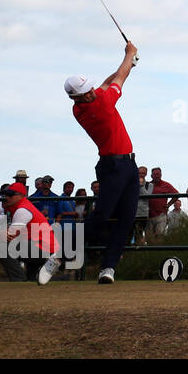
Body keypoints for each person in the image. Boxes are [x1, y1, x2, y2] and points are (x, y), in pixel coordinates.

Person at [64, 42, 140, 285]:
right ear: (75, 98)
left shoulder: (86, 103)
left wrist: (129, 64)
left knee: (127, 218)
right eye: (85, 93)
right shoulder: (100, 105)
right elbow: (119, 77)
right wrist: (129, 54)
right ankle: (62, 249)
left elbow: (108, 82)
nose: (91, 92)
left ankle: (108, 267)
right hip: (112, 167)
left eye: (89, 88)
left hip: (129, 165)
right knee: (102, 215)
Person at [2, 183, 60, 283]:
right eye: (5, 195)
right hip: (42, 248)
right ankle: (32, 277)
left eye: (10, 195)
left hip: (44, 250)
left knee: (1, 247)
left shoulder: (22, 209)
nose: (6, 197)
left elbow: (9, 236)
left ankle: (19, 280)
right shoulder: (22, 207)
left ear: (21, 196)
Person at [148, 168, 181, 240]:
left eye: (158, 174)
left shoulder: (166, 185)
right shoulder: (147, 185)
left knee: (160, 235)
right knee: (149, 237)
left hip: (161, 215)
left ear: (161, 175)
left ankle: (159, 250)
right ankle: (150, 251)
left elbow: (176, 194)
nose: (157, 176)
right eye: (155, 174)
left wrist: (168, 205)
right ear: (151, 175)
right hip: (149, 215)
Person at [134, 165, 153, 245]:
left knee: (140, 233)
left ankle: (140, 251)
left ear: (146, 174)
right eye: (139, 173)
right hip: (131, 212)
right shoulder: (131, 183)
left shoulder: (149, 185)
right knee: (130, 234)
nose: (141, 174)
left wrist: (141, 186)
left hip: (142, 213)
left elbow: (147, 197)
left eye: (143, 173)